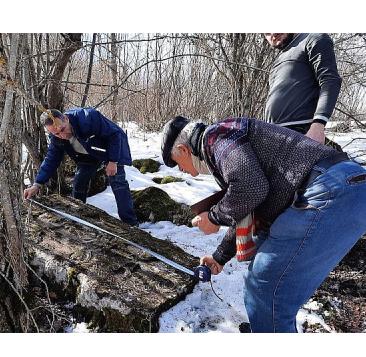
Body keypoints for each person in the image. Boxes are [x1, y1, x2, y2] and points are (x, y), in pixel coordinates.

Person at [161, 115, 366, 332]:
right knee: (266, 280)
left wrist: (213, 217)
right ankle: (267, 327)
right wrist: (220, 257)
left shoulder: (215, 137)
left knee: (265, 288)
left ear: (184, 150)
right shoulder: (224, 137)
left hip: (329, 190)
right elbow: (247, 204)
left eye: (176, 164)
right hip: (345, 185)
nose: (179, 170)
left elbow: (251, 189)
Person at [24, 108, 138, 226]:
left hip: (111, 150)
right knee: (79, 183)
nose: (63, 135)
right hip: (87, 156)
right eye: (57, 133)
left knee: (118, 183)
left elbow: (114, 134)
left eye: (63, 129)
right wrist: (37, 184)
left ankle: (131, 223)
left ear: (66, 119)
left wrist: (113, 161)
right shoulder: (56, 139)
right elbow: (51, 160)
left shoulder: (88, 118)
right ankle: (78, 220)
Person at [264, 33, 342, 144]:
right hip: (273, 135)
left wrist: (318, 125)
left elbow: (329, 80)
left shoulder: (313, 38)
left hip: (302, 133)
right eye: (266, 32)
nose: (273, 33)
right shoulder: (278, 60)